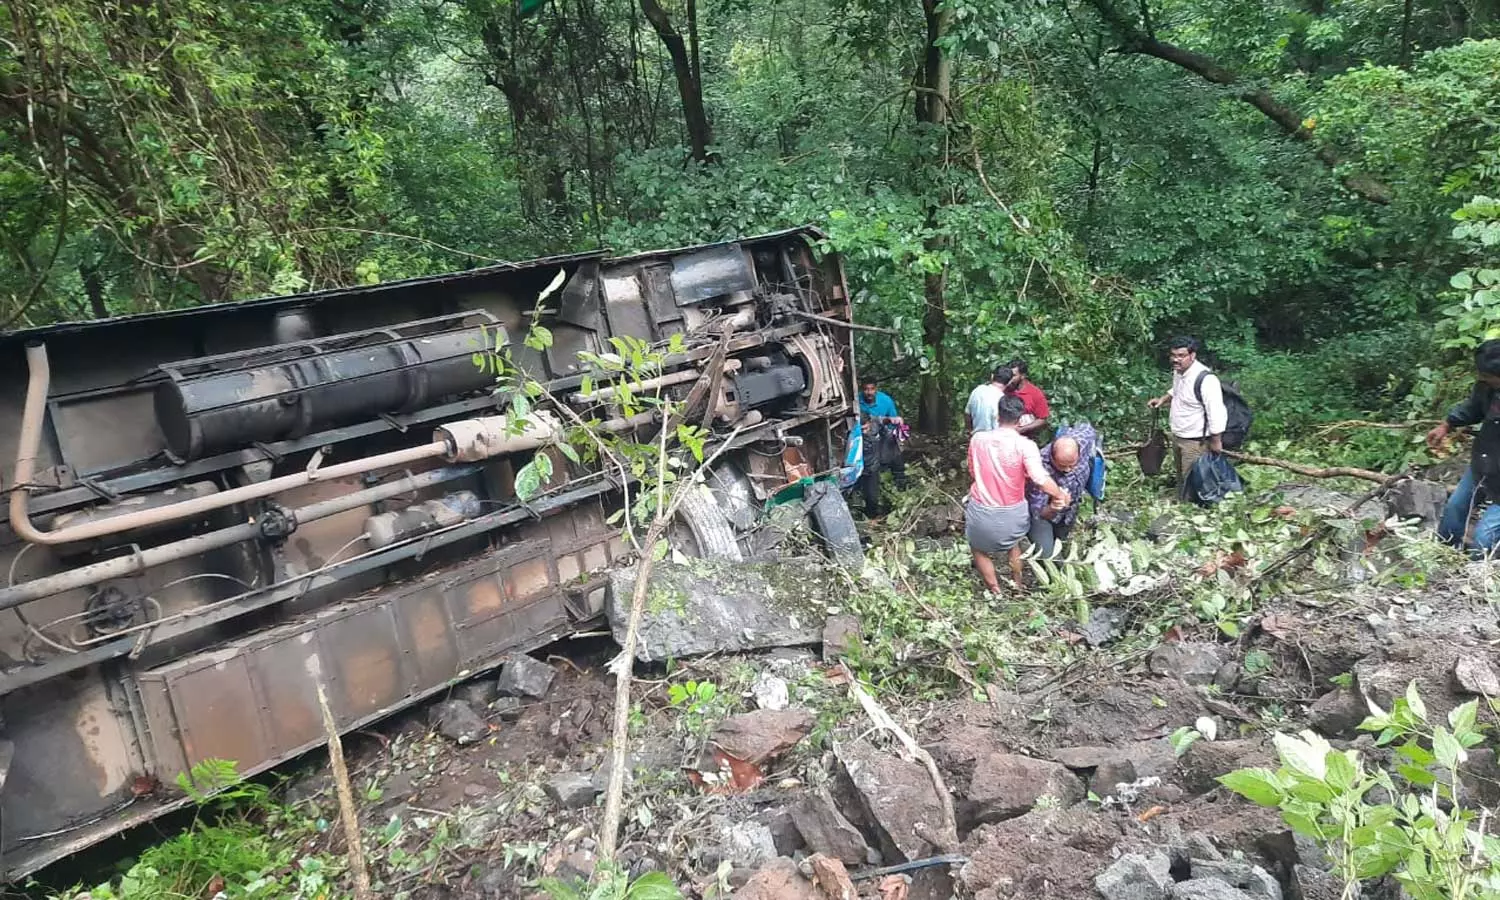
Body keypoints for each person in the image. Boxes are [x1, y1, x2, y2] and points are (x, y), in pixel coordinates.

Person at [966, 396, 1071, 592]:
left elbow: (973, 471)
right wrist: (1058, 495)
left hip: (982, 510)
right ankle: (1018, 585)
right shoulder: (1026, 445)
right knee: (1013, 545)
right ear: (1021, 419)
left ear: (997, 416)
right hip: (1014, 512)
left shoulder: (977, 439)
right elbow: (1040, 479)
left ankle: (996, 591)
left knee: (978, 548)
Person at [1429, 339, 1500, 555]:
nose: (1482, 378)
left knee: (1482, 541)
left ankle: (1478, 579)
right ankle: (1444, 558)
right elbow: (1473, 408)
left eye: (1487, 376)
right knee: (1454, 511)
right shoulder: (1486, 388)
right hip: (1484, 463)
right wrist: (1447, 424)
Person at [1146, 337, 1226, 501]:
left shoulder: (1206, 380)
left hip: (1195, 440)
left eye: (1181, 355)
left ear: (1192, 355)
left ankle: (1191, 510)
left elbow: (1216, 411)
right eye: (1173, 355)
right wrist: (1162, 399)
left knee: (1193, 478)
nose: (1176, 359)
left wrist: (1216, 440)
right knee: (1182, 475)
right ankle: (1182, 501)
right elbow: (1177, 390)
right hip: (1178, 434)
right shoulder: (1179, 372)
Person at [1026, 423, 1100, 557]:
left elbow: (1088, 429)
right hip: (1044, 514)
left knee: (1061, 545)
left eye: (1072, 465)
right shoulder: (1038, 468)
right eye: (1062, 466)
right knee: (1047, 557)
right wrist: (1053, 507)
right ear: (1052, 457)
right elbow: (1037, 510)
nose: (1067, 470)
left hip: (1069, 512)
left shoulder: (1083, 439)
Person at [856, 379, 907, 514]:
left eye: (871, 389)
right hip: (864, 463)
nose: (869, 392)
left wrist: (894, 420)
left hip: (877, 454)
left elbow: (883, 420)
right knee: (869, 493)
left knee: (894, 448)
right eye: (866, 389)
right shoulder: (856, 433)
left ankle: (900, 484)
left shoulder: (882, 407)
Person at [1005, 357, 1050, 438]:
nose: (1010, 379)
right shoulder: (1004, 389)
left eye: (1014, 376)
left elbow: (1043, 419)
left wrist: (1022, 429)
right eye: (1009, 375)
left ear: (1023, 376)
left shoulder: (1035, 393)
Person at [965, 365, 1012, 433]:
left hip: (976, 437)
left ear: (992, 376)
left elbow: (967, 414)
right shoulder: (1003, 400)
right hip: (993, 439)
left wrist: (969, 431)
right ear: (1009, 382)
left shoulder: (978, 390)